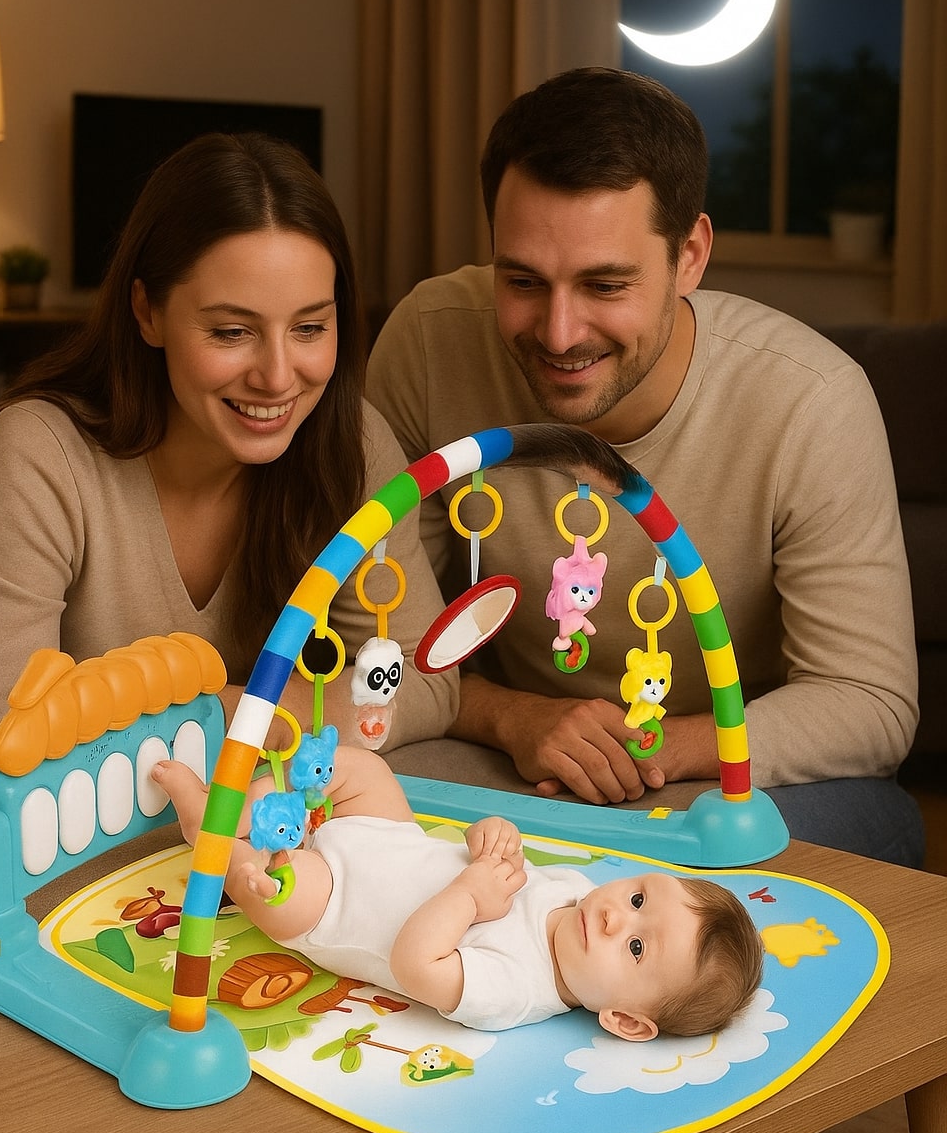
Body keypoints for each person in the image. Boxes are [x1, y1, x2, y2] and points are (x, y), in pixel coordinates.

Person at [366, 68, 923, 864]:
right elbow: (382, 639)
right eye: (522, 281)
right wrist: (514, 719)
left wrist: (645, 752)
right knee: (344, 804)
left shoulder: (814, 400)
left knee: (872, 828)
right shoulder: (427, 338)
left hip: (718, 777)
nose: (559, 333)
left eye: (605, 285)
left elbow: (869, 703)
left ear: (690, 255)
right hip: (508, 757)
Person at [0, 133, 457, 805]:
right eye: (231, 332)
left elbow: (430, 676)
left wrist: (246, 710)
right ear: (147, 311)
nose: (277, 377)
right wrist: (242, 717)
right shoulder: (40, 452)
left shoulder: (351, 441)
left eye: (309, 328)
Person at [152, 747, 763, 1038]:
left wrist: (472, 895)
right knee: (361, 768)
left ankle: (208, 824)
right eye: (637, 901)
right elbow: (484, 852)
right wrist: (489, 840)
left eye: (635, 949)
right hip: (386, 835)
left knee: (279, 887)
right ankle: (251, 806)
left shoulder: (514, 992)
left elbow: (414, 962)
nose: (613, 920)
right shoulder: (574, 892)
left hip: (334, 902)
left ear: (624, 1019)